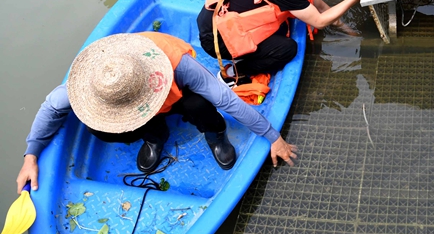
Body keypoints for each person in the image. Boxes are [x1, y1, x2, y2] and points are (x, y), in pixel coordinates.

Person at [16, 32, 297, 194]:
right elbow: (51, 107)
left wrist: (273, 137)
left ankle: (215, 134)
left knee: (199, 105)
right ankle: (154, 135)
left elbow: (227, 99)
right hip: (140, 106)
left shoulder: (178, 65)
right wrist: (31, 156)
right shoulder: (92, 82)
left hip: (175, 95)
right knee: (98, 128)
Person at [196, 0, 365, 85]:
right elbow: (319, 22)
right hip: (218, 41)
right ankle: (234, 73)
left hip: (211, 16)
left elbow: (315, 2)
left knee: (286, 25)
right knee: (287, 49)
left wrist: (345, 28)